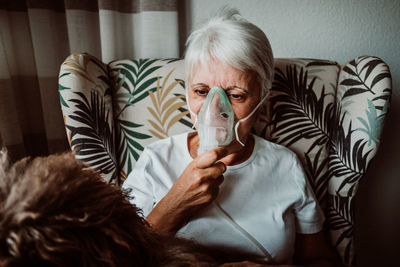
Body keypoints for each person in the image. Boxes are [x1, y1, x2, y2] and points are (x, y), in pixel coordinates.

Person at [123, 7, 337, 266]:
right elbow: (117, 258)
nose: (215, 110)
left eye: (235, 95)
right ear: (187, 94)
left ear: (261, 104)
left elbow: (319, 260)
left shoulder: (285, 165)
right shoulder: (156, 161)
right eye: (202, 91)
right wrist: (172, 207)